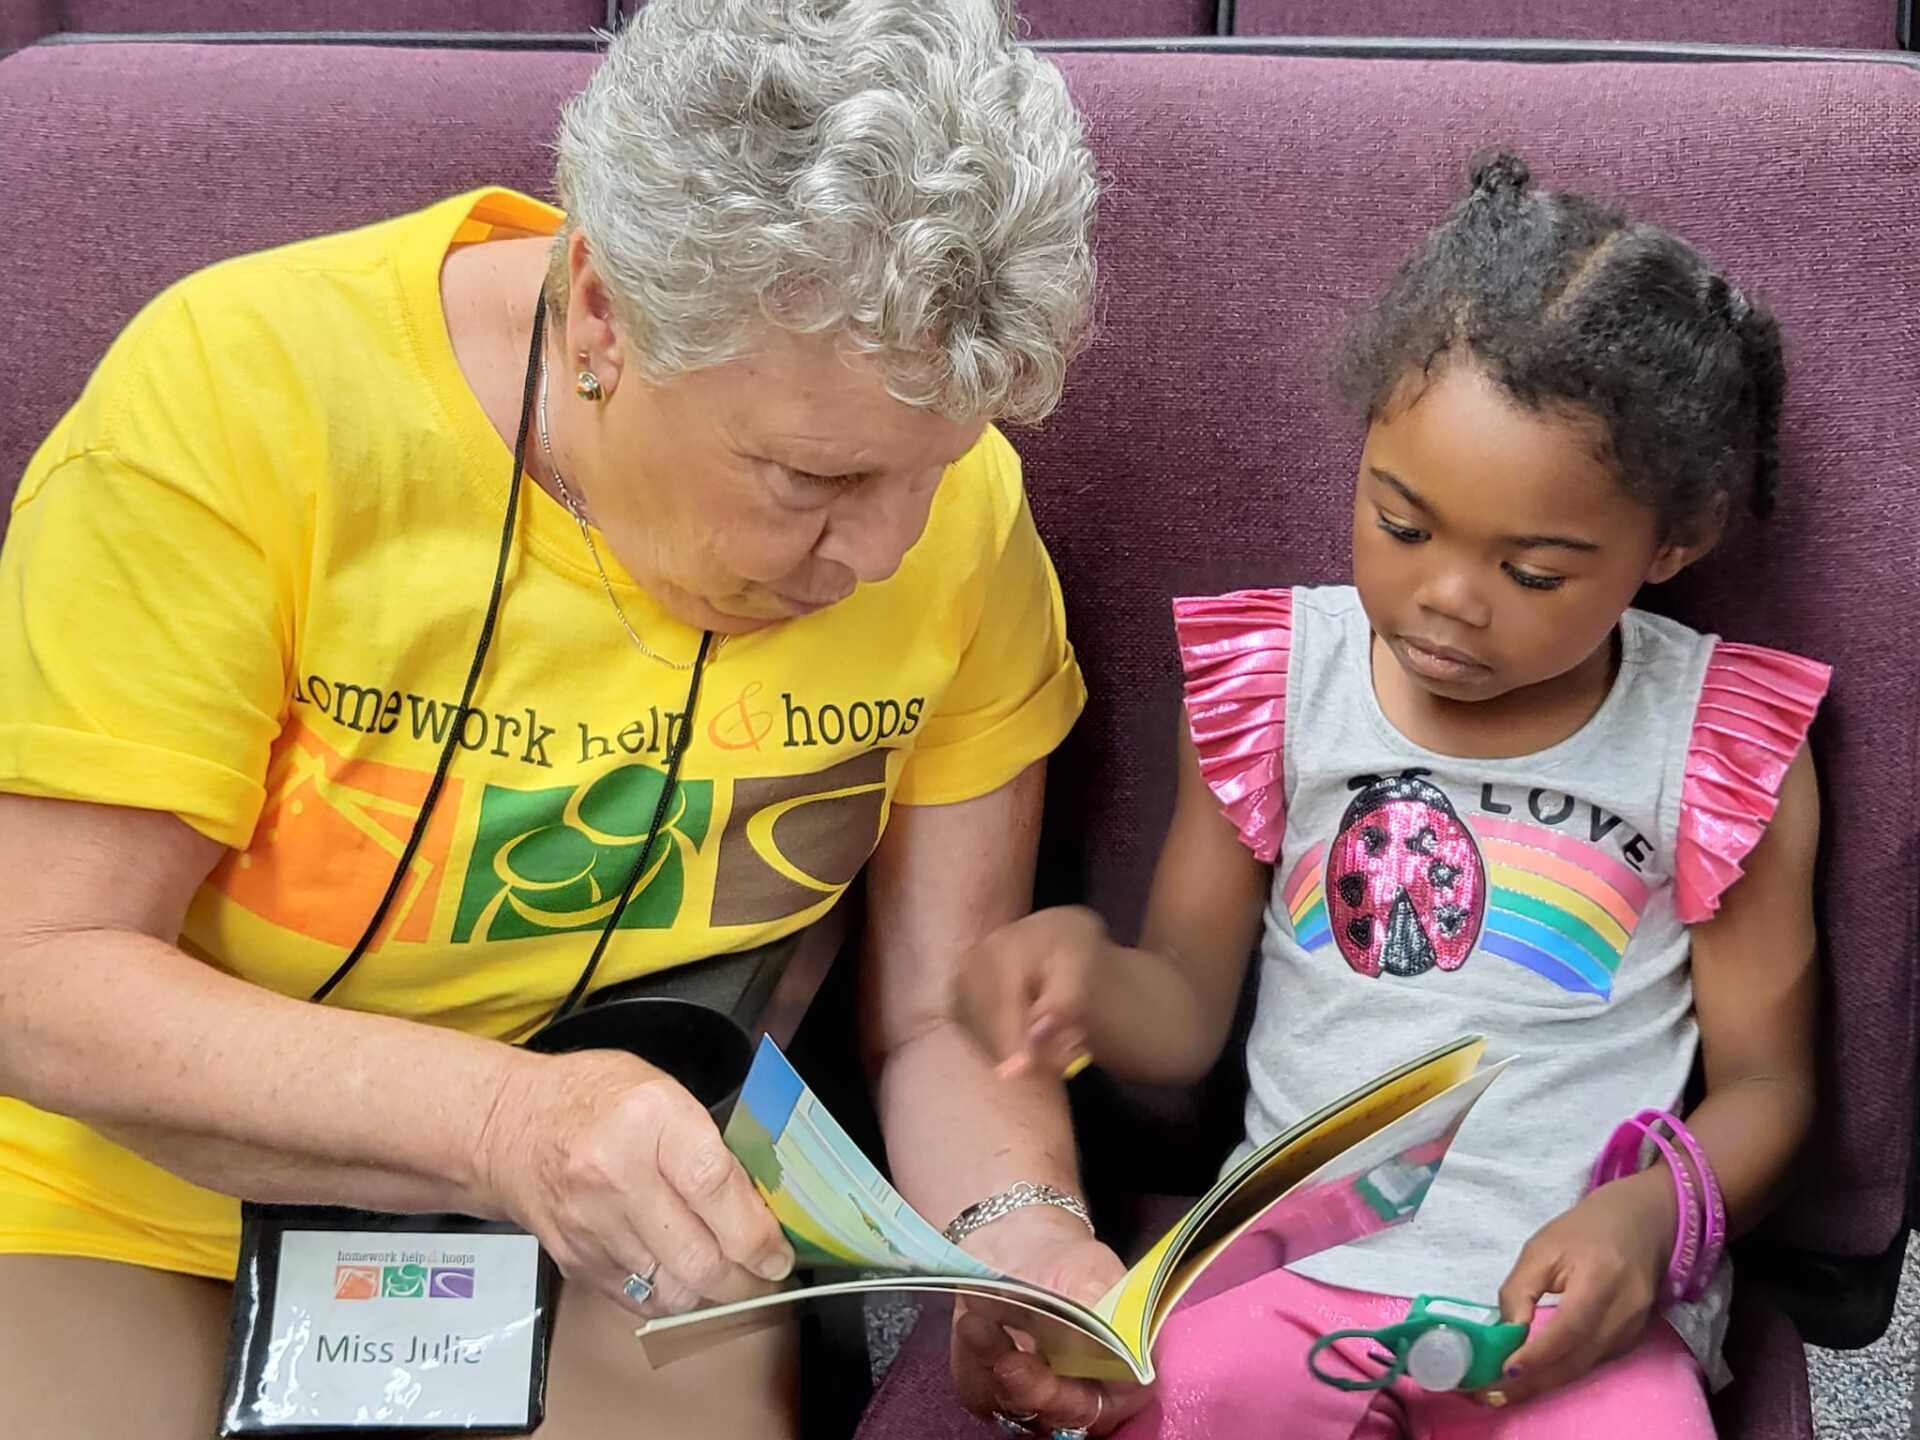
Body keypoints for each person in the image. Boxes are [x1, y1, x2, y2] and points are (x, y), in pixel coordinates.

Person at [0, 3, 1132, 1436]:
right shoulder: (241, 401)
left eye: (936, 466)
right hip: (136, 1186)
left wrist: (1021, 1235)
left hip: (637, 1223)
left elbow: (941, 1015)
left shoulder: (955, 524)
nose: (889, 550)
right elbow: (37, 969)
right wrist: (500, 1122)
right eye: (810, 478)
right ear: (599, 312)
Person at [953, 152, 1825, 1439]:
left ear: (1673, 543)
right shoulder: (1279, 686)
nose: (1449, 598)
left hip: (1563, 1309)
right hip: (1289, 1285)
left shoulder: (1709, 739)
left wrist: (1648, 1218)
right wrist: (1084, 980)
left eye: (1534, 571)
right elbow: (1185, 1012)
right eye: (1402, 526)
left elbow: (1772, 1089)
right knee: (1161, 1404)